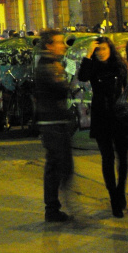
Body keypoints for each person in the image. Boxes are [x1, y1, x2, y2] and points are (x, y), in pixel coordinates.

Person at [78, 36, 128, 217]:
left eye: (104, 49)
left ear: (111, 49)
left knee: (123, 158)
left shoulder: (118, 65)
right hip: (101, 116)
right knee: (107, 158)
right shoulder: (92, 66)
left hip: (119, 116)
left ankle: (121, 190)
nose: (101, 53)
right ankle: (114, 197)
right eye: (98, 50)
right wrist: (88, 54)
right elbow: (82, 76)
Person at [34, 30, 73, 222]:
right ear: (49, 45)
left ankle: (58, 205)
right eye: (59, 43)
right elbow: (61, 89)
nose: (63, 46)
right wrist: (69, 81)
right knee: (56, 165)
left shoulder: (51, 63)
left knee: (61, 165)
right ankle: (53, 208)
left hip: (55, 120)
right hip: (52, 122)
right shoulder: (48, 65)